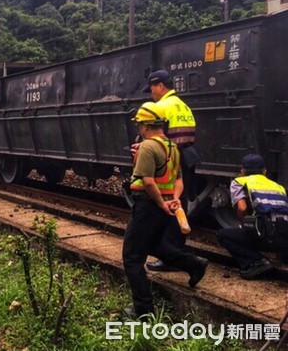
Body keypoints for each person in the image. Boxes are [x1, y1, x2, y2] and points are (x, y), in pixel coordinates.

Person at [123, 102, 208, 318]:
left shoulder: (148, 147)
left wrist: (162, 203)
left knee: (132, 257)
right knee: (155, 244)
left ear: (145, 126)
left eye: (139, 125)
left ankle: (143, 310)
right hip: (163, 206)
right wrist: (173, 200)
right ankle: (194, 264)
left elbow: (149, 182)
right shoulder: (172, 147)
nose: (139, 129)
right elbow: (178, 180)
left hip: (149, 206)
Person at [141, 69, 199, 272]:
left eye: (152, 89)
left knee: (165, 205)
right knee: (179, 203)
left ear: (160, 86)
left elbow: (154, 136)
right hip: (185, 157)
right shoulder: (183, 105)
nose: (151, 93)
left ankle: (170, 256)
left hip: (168, 160)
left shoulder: (161, 107)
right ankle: (176, 252)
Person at [217, 154, 288, 279]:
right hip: (284, 238)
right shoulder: (278, 186)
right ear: (264, 171)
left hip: (265, 236)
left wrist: (244, 224)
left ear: (242, 171)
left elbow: (242, 208)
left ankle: (256, 262)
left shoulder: (239, 182)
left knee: (223, 235)